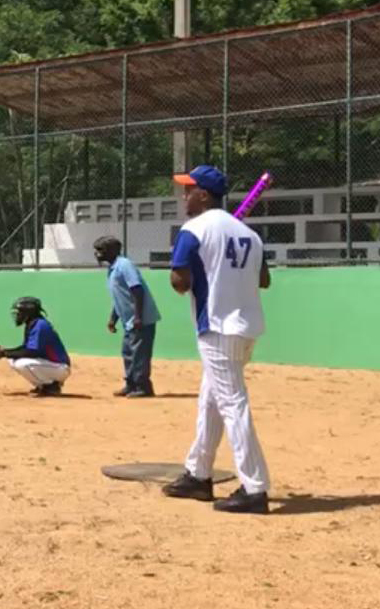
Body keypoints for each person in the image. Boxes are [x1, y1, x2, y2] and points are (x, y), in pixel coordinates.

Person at [161, 164, 273, 515]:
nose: (184, 196)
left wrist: (197, 271)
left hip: (217, 327)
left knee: (232, 404)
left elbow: (180, 283)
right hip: (246, 327)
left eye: (189, 190)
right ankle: (198, 474)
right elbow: (264, 280)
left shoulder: (193, 229)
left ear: (204, 195)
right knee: (211, 400)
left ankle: (255, 488)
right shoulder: (250, 235)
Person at [92, 235, 161, 398]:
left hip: (141, 319)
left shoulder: (124, 265)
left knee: (139, 354)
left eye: (101, 250)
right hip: (129, 321)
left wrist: (138, 316)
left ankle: (143, 387)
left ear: (112, 250)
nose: (97, 254)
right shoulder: (112, 269)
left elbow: (137, 290)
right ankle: (131, 384)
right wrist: (113, 319)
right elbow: (120, 297)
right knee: (128, 352)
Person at [0, 297, 71, 397]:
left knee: (22, 364)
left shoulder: (40, 325)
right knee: (13, 359)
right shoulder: (33, 323)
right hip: (50, 365)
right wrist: (4, 351)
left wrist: (3, 353)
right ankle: (43, 385)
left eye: (20, 312)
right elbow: (26, 348)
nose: (18, 315)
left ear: (28, 312)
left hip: (59, 367)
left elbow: (32, 351)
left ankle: (51, 386)